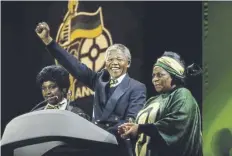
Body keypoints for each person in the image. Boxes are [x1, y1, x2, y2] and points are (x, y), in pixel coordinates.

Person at [35, 22, 147, 156]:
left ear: (128, 63)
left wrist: (96, 132)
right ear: (105, 64)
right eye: (110, 60)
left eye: (119, 59)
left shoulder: (137, 87)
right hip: (94, 146)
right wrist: (48, 41)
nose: (114, 63)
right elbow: (72, 64)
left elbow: (131, 122)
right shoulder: (99, 79)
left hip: (118, 148)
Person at [118, 51, 202, 156]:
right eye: (153, 75)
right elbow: (142, 131)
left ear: (174, 76)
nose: (155, 79)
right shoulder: (152, 100)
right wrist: (130, 129)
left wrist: (140, 128)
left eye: (160, 75)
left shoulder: (182, 95)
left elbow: (174, 126)